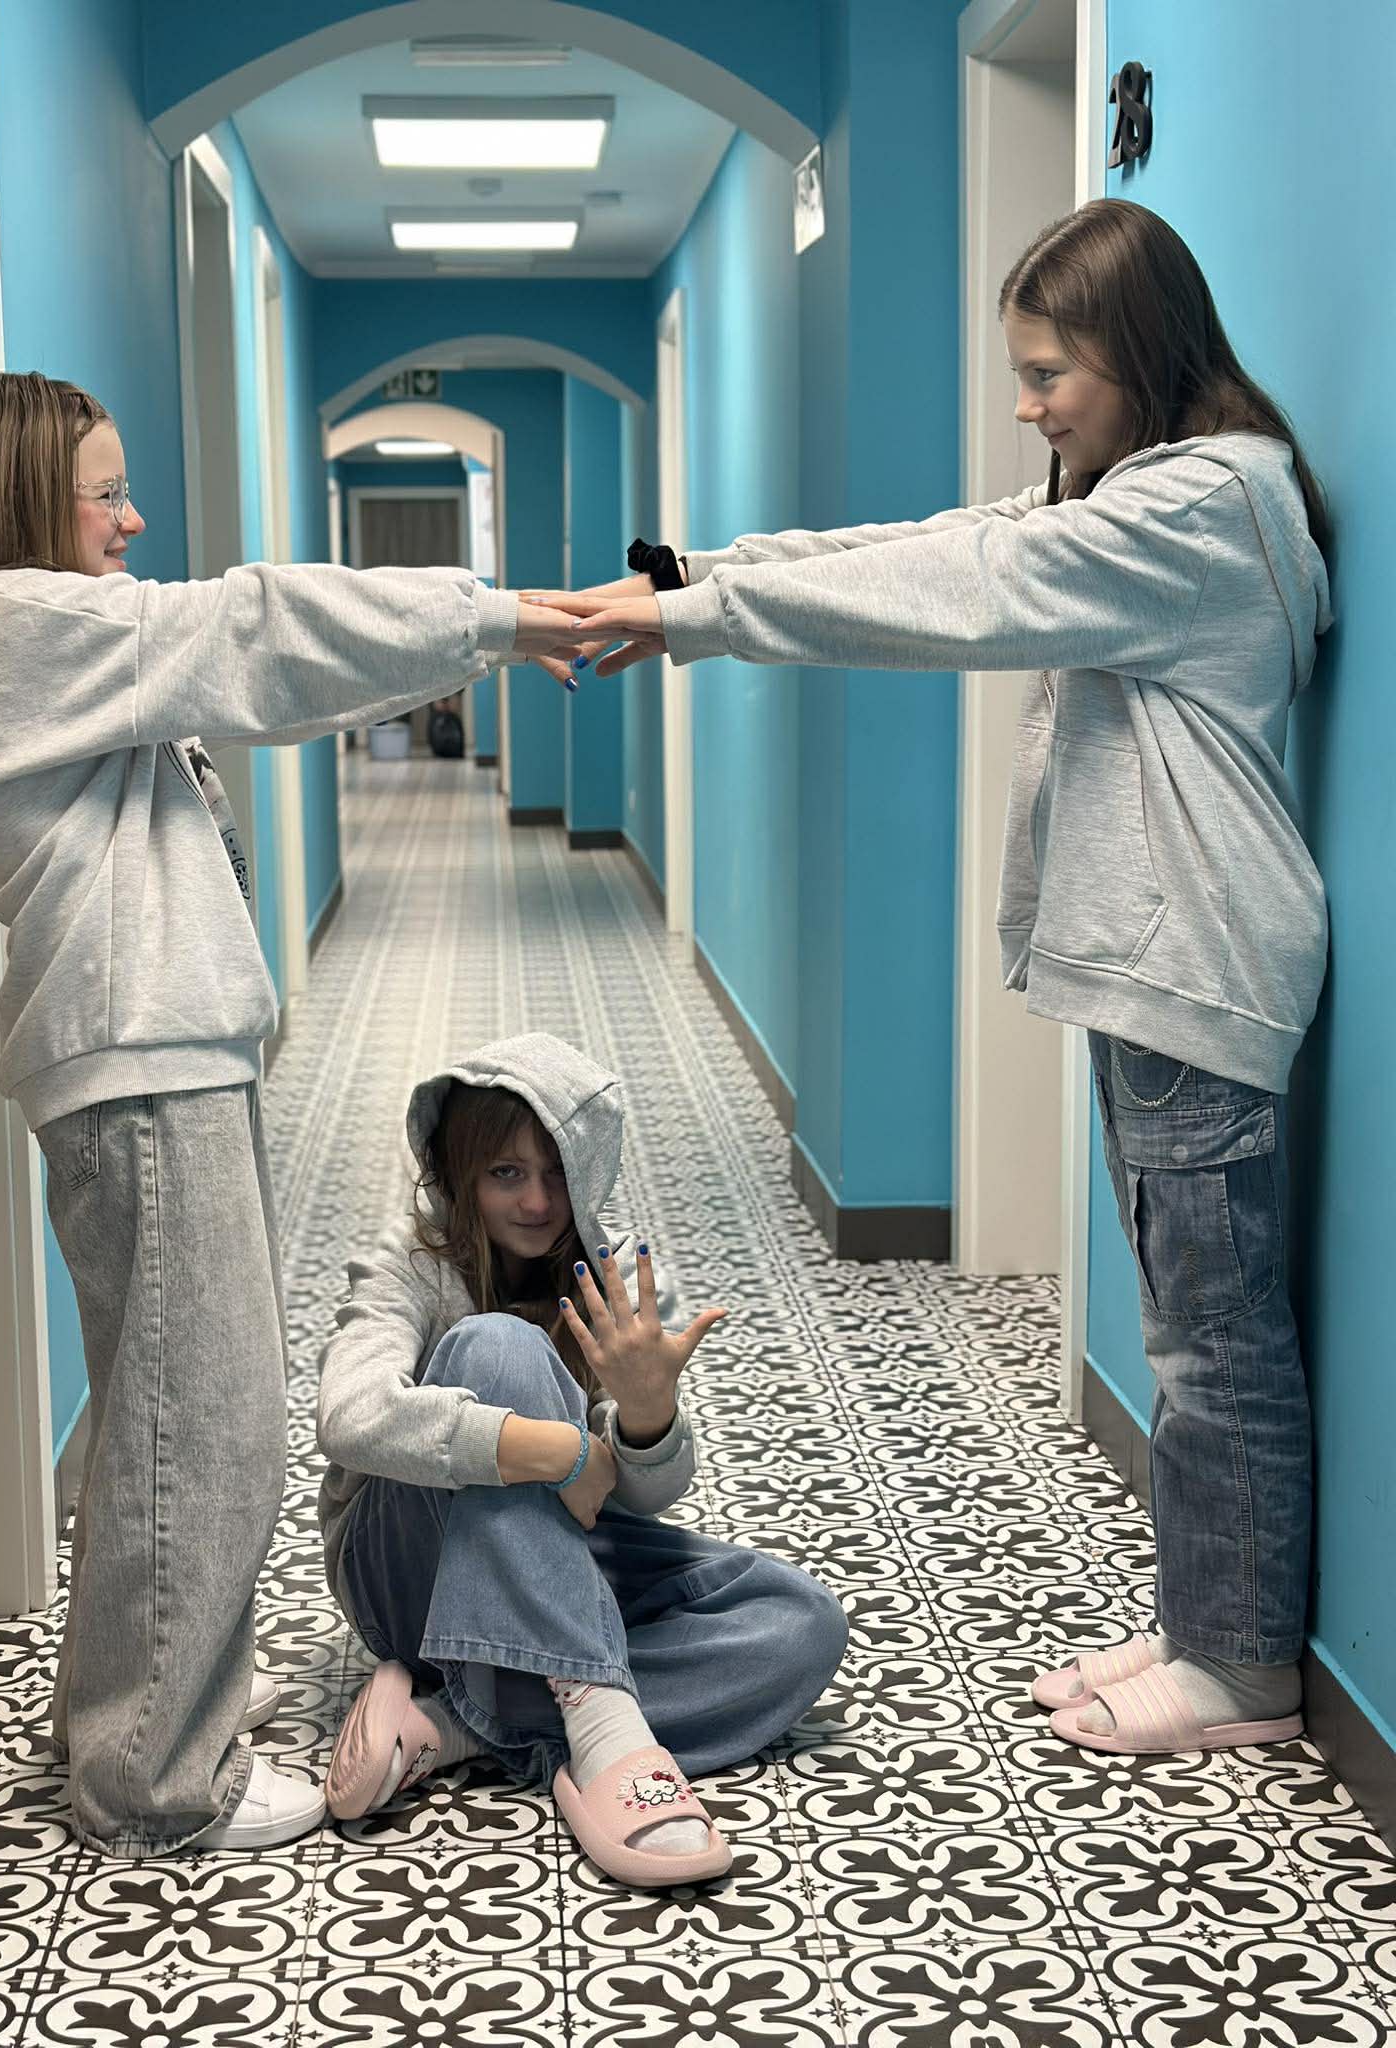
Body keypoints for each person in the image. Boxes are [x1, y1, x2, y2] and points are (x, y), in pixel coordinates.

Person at [538, 198, 1331, 1761]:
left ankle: (1242, 1667)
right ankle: (1207, 1623)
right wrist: (697, 576)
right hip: (1161, 969)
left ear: (1143, 353)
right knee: (1185, 1322)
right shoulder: (1149, 493)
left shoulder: (1197, 506)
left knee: (1211, 1341)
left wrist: (701, 617)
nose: (1029, 407)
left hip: (1196, 960)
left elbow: (962, 596)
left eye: (1050, 375)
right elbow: (947, 542)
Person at [0, 370, 582, 1858]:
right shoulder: (2, 624)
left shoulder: (47, 639)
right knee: (201, 1427)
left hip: (155, 1060)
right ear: (18, 498)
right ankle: (155, 1778)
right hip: (140, 1068)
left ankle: (138, 1708)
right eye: (104, 493)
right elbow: (252, 628)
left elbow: (273, 678)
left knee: (165, 1412)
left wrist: (473, 644)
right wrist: (501, 619)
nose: (131, 520)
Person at [317, 1032, 849, 1886]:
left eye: (558, 1172)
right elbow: (348, 1417)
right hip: (408, 1580)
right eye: (506, 1173)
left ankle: (452, 1722)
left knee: (801, 1623)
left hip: (558, 1564)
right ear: (461, 1173)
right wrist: (554, 1450)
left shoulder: (616, 1274)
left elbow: (643, 1497)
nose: (537, 1201)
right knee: (498, 1345)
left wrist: (646, 1416)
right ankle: (602, 1724)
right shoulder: (411, 1261)